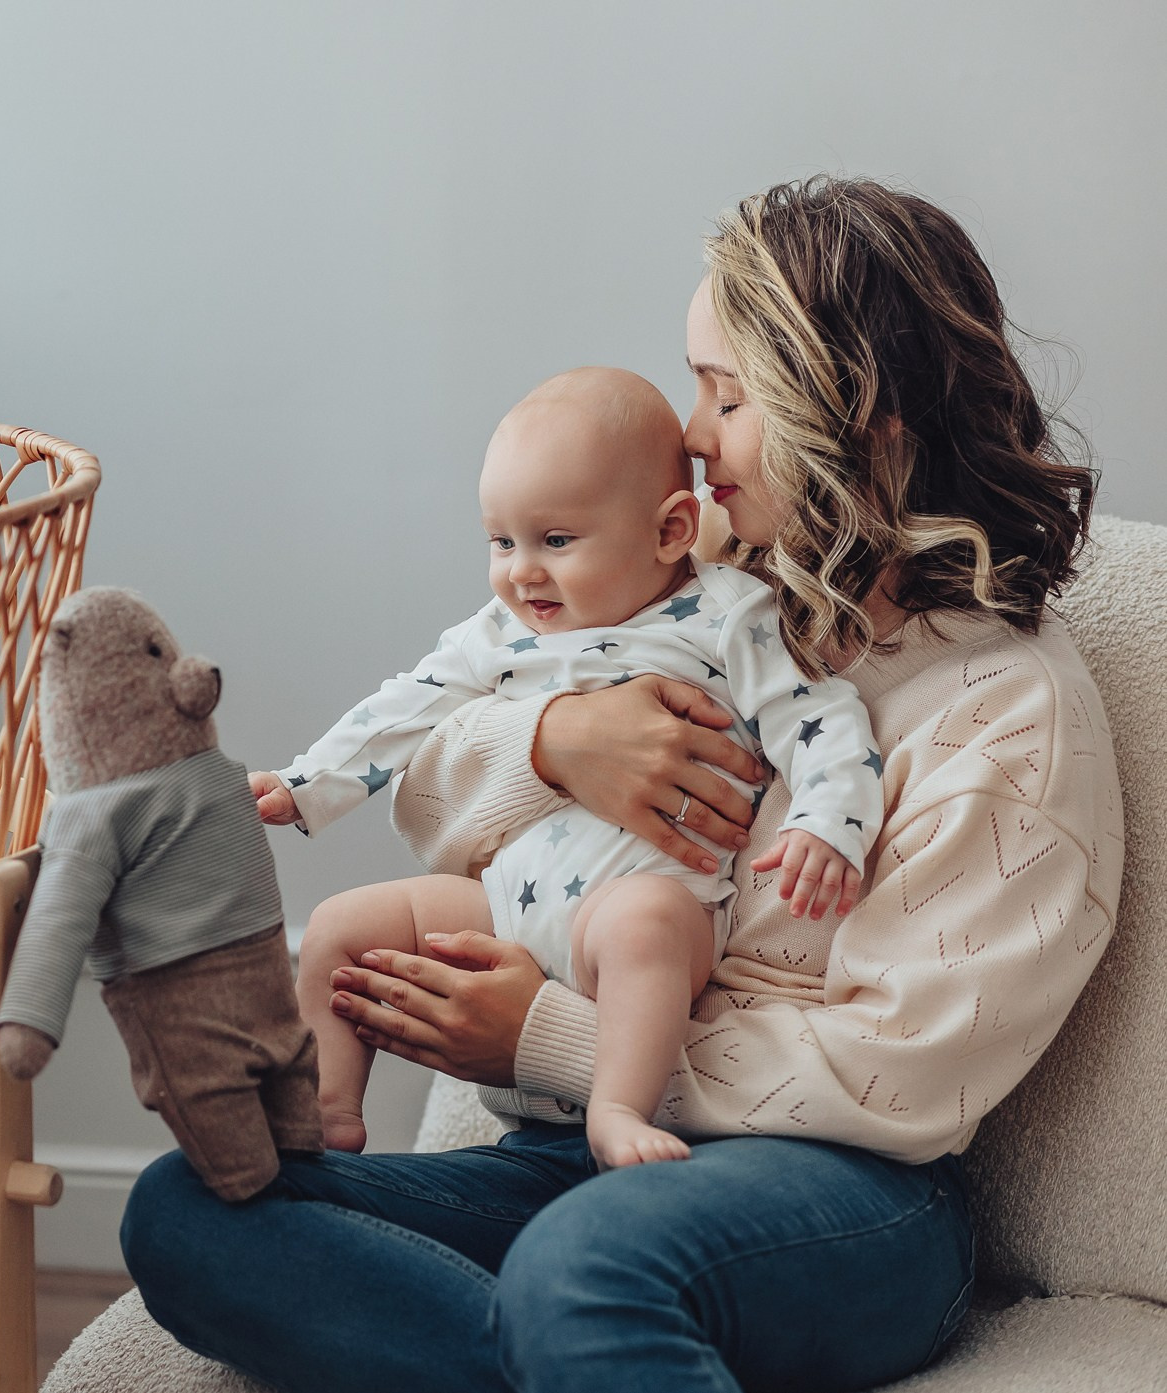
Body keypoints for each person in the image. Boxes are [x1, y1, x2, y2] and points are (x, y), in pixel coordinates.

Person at [120, 176, 1122, 1393]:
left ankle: (572, 1329)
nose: (689, 434)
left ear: (867, 427)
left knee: (583, 1264)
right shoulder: (694, 569)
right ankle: (573, 1360)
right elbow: (431, 809)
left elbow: (895, 1075)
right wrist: (554, 739)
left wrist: (546, 1036)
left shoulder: (1009, 717)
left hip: (843, 1196)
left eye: (727, 395)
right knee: (191, 1203)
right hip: (566, 1161)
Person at [257, 366, 881, 1169]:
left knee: (645, 927)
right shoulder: (500, 627)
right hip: (502, 905)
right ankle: (330, 1107)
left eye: (556, 541)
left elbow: (821, 716)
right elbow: (408, 706)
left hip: (632, 908)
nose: (522, 571)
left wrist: (827, 821)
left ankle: (617, 1108)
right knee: (341, 925)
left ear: (669, 532)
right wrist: (306, 782)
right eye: (501, 540)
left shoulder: (727, 614)